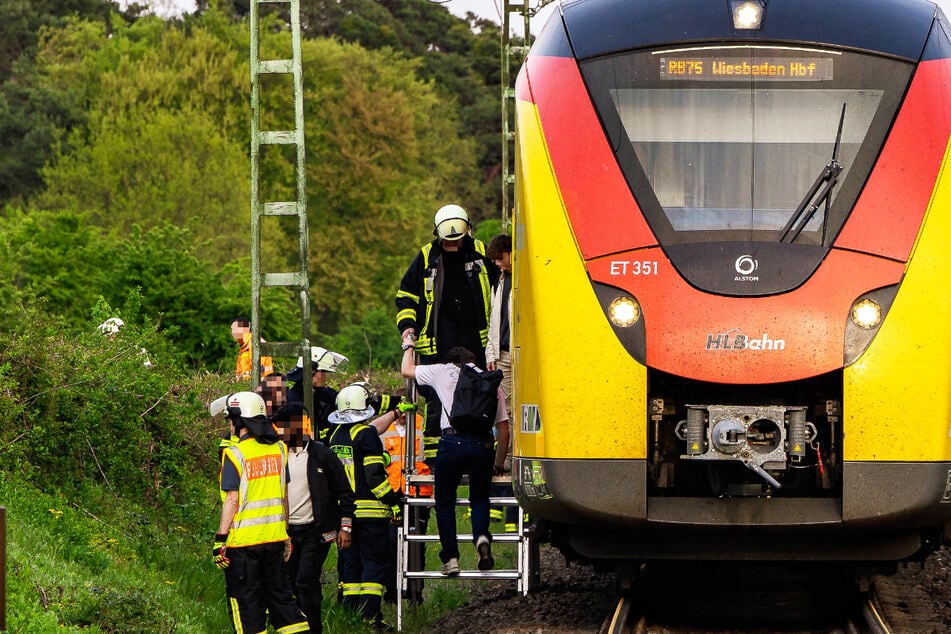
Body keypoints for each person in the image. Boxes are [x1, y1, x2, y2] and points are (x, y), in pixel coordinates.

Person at [395, 204, 499, 466]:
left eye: (457, 241)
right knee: (434, 401)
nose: (452, 246)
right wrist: (408, 327)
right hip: (437, 343)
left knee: (481, 397)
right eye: (447, 242)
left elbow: (500, 288)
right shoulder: (427, 257)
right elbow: (406, 296)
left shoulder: (481, 252)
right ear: (437, 235)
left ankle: (482, 454)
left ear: (467, 232)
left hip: (477, 342)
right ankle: (434, 462)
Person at [400, 343, 510, 576]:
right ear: (473, 361)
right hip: (482, 446)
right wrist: (499, 463)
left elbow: (407, 370)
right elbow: (503, 429)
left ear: (452, 361)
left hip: (451, 443)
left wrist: (409, 344)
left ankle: (451, 558)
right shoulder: (489, 381)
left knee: (444, 503)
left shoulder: (442, 371)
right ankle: (481, 536)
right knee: (480, 498)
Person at [212, 391, 309, 633]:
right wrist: (284, 532)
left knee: (247, 605)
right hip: (274, 540)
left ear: (239, 420)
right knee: (282, 599)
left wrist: (220, 538)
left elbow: (232, 500)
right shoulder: (279, 450)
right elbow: (283, 495)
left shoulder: (234, 454)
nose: (230, 425)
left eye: (230, 419)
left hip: (243, 544)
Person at [272, 397, 356, 634]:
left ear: (298, 425)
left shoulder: (322, 454)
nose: (281, 432)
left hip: (315, 532)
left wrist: (345, 527)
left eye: (285, 426)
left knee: (306, 580)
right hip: (286, 532)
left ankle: (313, 628)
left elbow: (344, 492)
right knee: (289, 583)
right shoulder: (278, 454)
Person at [328, 384, 402, 630]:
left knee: (351, 565)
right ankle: (372, 618)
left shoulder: (335, 435)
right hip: (371, 514)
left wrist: (394, 413)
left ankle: (350, 616)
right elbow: (373, 476)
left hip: (344, 514)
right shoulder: (366, 435)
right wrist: (393, 502)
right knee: (374, 564)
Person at [378, 403, 431, 604]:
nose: (403, 415)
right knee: (391, 543)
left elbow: (431, 459)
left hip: (419, 492)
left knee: (417, 543)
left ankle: (416, 590)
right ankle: (392, 590)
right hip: (392, 494)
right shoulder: (384, 427)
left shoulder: (422, 425)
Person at [484, 234, 518, 531]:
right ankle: (504, 459)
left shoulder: (523, 278)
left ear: (510, 253)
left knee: (519, 410)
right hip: (503, 353)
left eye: (499, 259)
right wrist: (491, 352)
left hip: (522, 354)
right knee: (504, 410)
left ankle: (515, 458)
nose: (498, 264)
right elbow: (495, 320)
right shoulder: (501, 281)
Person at [285, 346, 348, 443]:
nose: (325, 376)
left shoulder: (325, 395)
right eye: (322, 372)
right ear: (310, 372)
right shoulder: (291, 400)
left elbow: (347, 401)